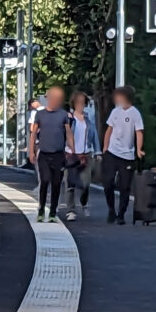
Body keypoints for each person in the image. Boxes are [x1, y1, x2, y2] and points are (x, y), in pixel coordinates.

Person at [28, 87, 71, 222]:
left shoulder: (63, 115)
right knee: (45, 180)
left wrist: (72, 149)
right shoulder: (40, 115)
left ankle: (53, 212)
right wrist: (31, 151)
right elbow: (33, 133)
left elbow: (68, 133)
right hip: (44, 154)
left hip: (58, 154)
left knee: (57, 183)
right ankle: (41, 209)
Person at [103, 85, 143, 224]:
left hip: (127, 155)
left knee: (124, 186)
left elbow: (139, 132)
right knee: (107, 182)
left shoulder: (135, 113)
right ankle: (111, 210)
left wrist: (138, 149)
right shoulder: (115, 112)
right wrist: (105, 147)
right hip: (112, 152)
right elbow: (109, 129)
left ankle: (121, 214)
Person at [65, 91, 96, 219]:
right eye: (78, 103)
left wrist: (98, 151)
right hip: (71, 154)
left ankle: (84, 202)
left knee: (85, 183)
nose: (81, 105)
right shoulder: (69, 118)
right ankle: (70, 211)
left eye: (83, 103)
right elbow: (63, 135)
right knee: (70, 184)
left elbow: (94, 136)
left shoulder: (88, 119)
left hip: (86, 154)